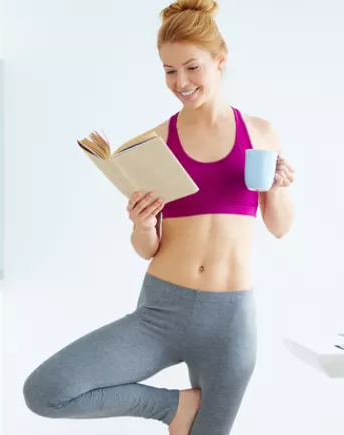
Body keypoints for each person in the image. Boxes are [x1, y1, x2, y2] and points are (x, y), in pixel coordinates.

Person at [22, 0, 295, 434]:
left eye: (192, 67)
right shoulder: (155, 142)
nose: (181, 82)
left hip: (230, 320)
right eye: (169, 71)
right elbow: (147, 248)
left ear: (220, 61)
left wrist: (278, 186)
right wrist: (142, 224)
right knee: (47, 390)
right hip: (161, 311)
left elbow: (280, 227)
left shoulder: (259, 132)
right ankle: (174, 408)